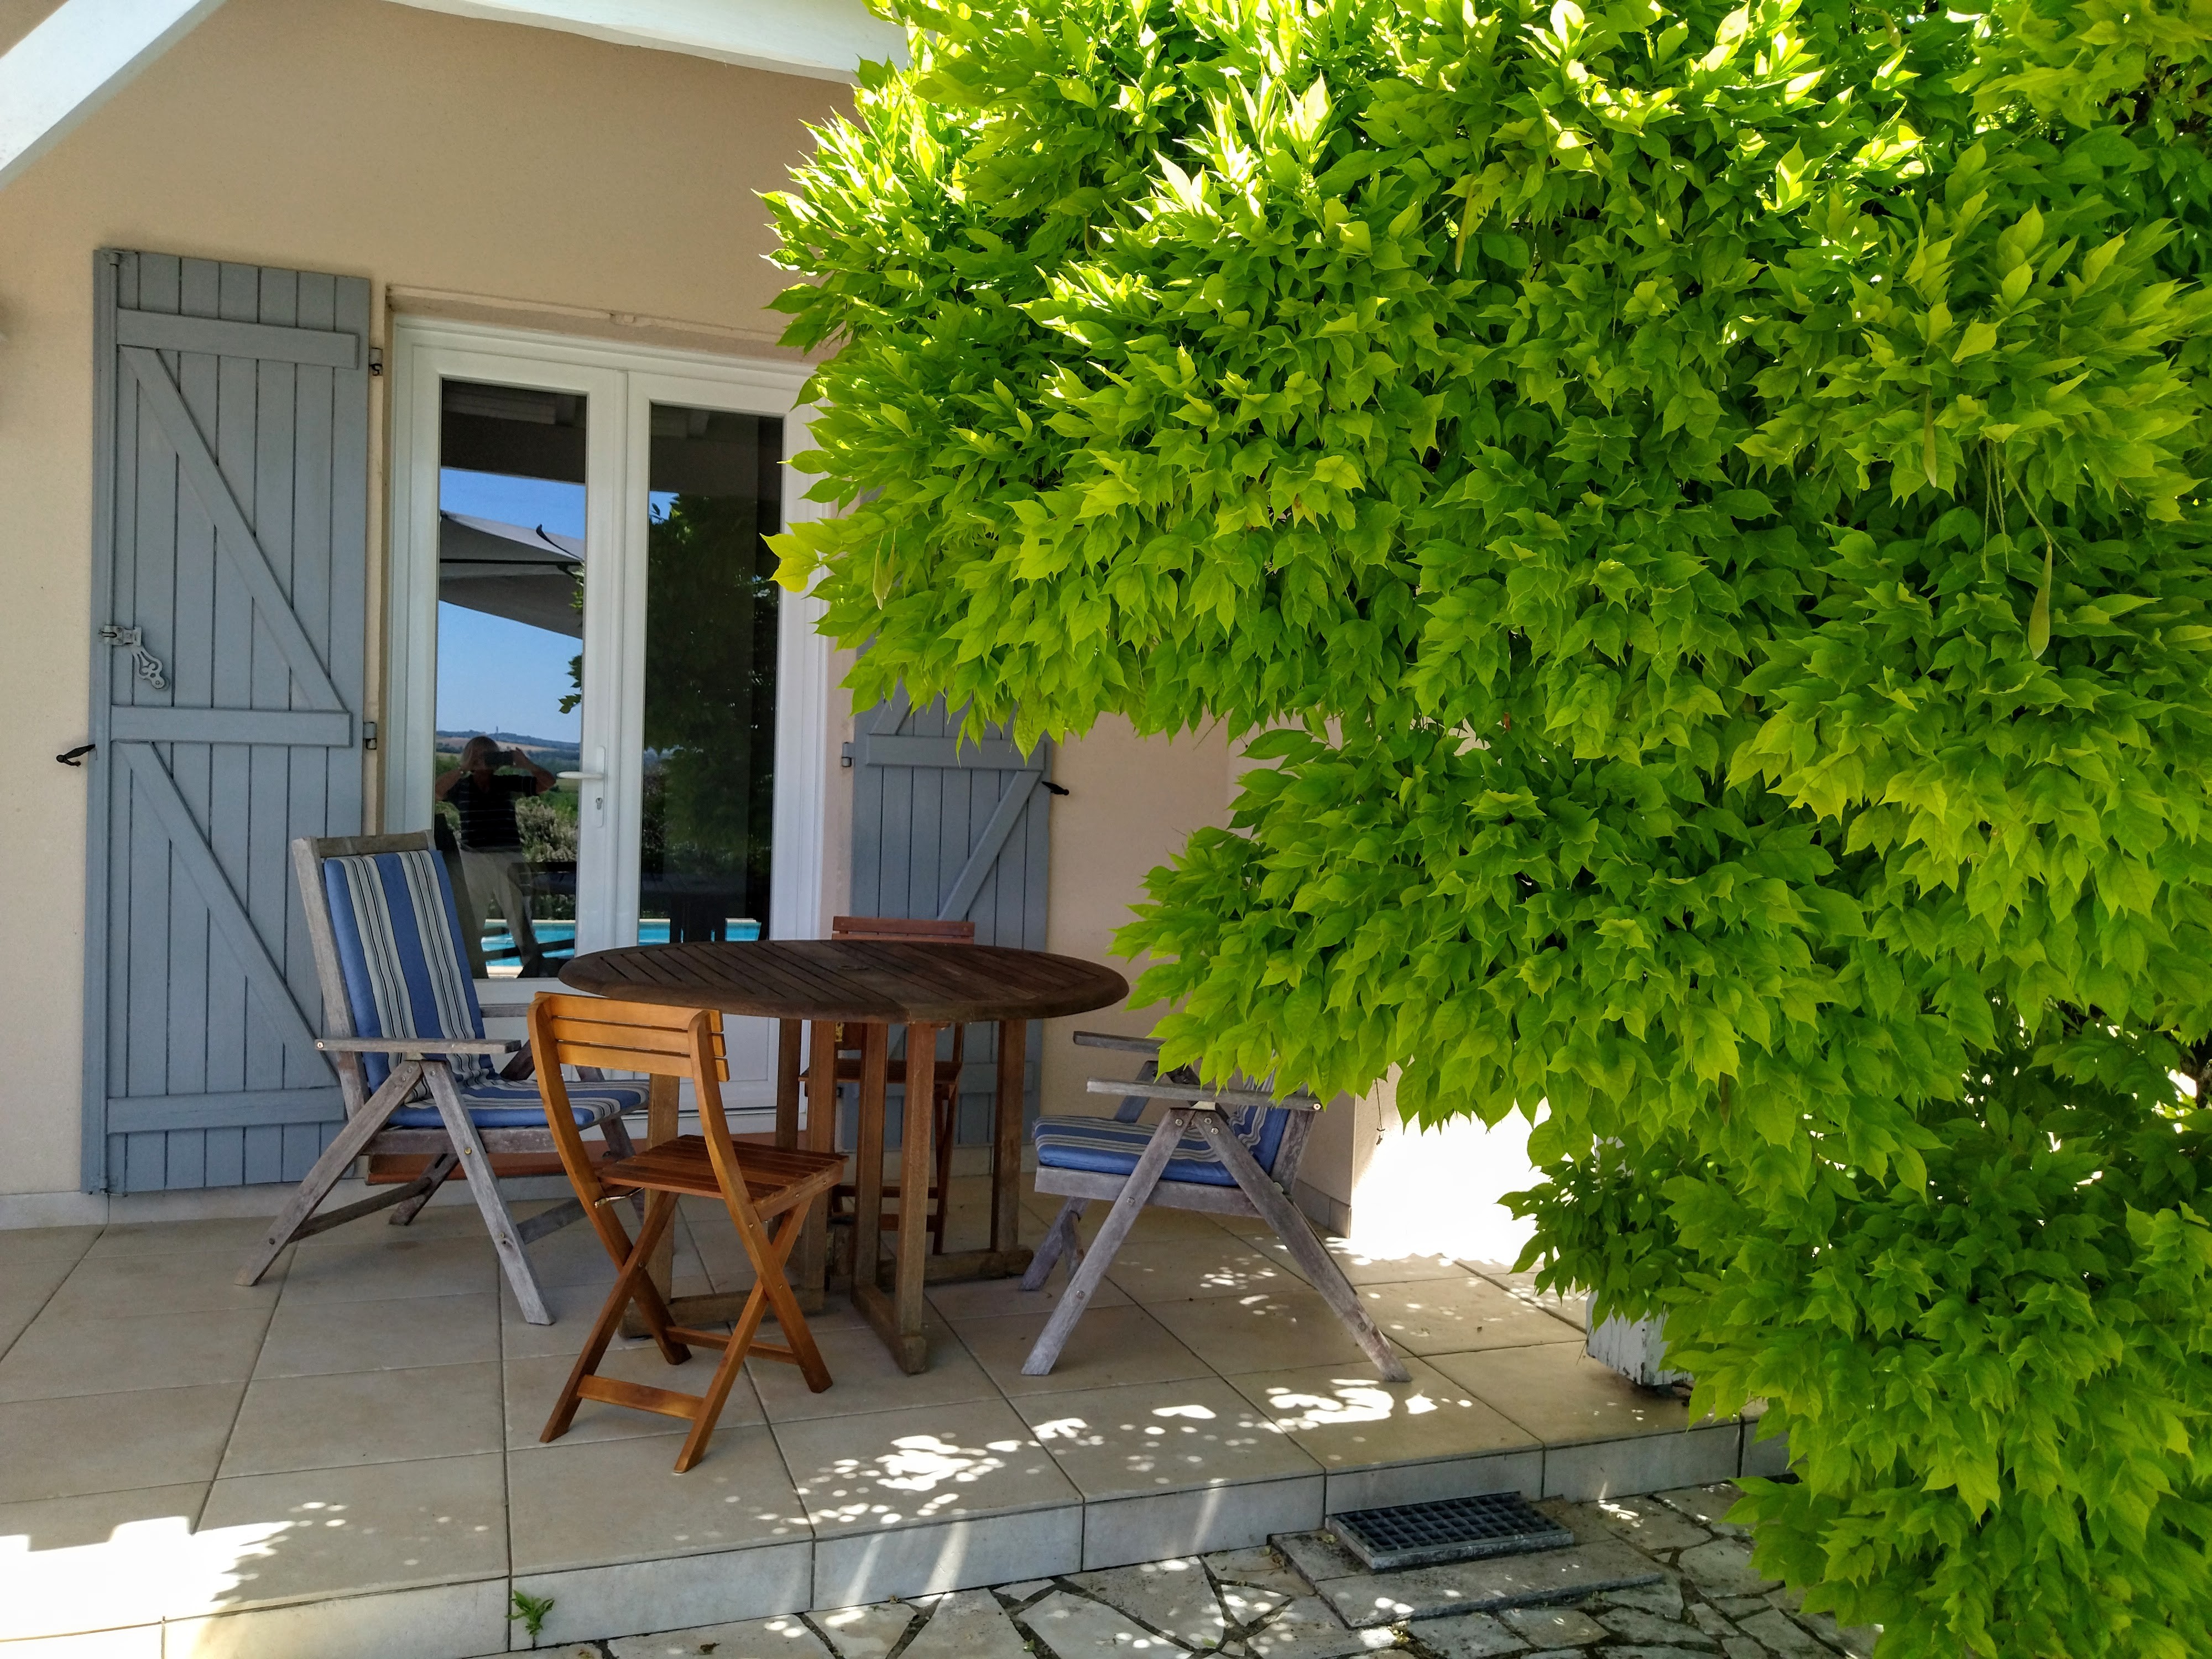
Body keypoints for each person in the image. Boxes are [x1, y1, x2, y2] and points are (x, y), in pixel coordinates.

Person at [434, 735, 558, 975]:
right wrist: (463, 769)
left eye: (488, 755)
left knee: (520, 919)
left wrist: (526, 764)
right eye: (477, 755)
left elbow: (547, 782)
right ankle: (472, 976)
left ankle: (533, 972)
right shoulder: (462, 787)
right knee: (472, 921)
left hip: (508, 858)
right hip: (473, 858)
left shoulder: (507, 784)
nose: (483, 760)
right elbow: (437, 792)